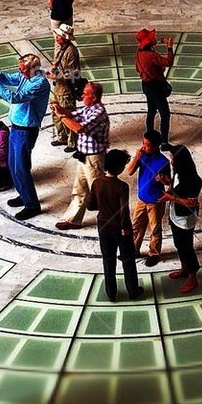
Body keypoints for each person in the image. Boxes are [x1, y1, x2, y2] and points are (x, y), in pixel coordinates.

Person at [0, 54, 50, 220]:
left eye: (23, 69)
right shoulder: (26, 75)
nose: (20, 71)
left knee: (21, 169)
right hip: (16, 128)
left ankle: (32, 205)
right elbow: (9, 78)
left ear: (34, 69)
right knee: (12, 165)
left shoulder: (39, 83)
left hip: (26, 131)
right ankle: (23, 195)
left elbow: (15, 97)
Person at [86, 149, 143, 302]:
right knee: (128, 259)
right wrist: (125, 227)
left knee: (108, 260)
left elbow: (90, 206)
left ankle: (111, 293)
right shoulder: (122, 186)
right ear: (119, 168)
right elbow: (124, 211)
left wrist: (104, 205)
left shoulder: (97, 182)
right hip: (120, 228)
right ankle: (133, 290)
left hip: (103, 226)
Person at [54, 81, 110, 230]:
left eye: (85, 94)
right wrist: (60, 109)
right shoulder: (88, 108)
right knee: (79, 189)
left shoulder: (98, 112)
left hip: (94, 158)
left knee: (99, 192)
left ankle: (110, 220)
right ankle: (73, 219)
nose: (82, 96)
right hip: (85, 156)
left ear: (94, 97)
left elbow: (79, 128)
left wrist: (61, 116)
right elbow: (72, 114)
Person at [159, 143, 202, 295]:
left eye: (172, 157)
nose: (170, 160)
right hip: (175, 214)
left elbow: (192, 202)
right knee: (179, 244)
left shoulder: (194, 180)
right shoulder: (178, 171)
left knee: (187, 247)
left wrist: (171, 198)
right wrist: (166, 182)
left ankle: (193, 277)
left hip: (185, 218)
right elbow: (175, 185)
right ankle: (185, 269)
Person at [127, 130, 170, 267]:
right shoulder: (142, 156)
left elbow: (169, 181)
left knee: (155, 228)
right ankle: (134, 250)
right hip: (142, 199)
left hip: (156, 201)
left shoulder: (163, 161)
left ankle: (154, 253)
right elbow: (129, 171)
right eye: (143, 143)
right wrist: (136, 157)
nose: (144, 146)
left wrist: (162, 180)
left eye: (147, 145)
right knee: (136, 226)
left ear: (156, 145)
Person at [134, 28, 175, 145]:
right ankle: (164, 143)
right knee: (165, 113)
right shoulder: (151, 55)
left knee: (151, 111)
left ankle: (150, 138)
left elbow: (138, 68)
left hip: (146, 86)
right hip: (156, 87)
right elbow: (169, 62)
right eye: (152, 37)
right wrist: (169, 47)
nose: (154, 38)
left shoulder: (139, 52)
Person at [48, 25, 83, 151]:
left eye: (59, 35)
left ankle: (72, 142)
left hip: (66, 89)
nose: (56, 37)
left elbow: (72, 73)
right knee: (56, 113)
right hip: (58, 87)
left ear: (65, 37)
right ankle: (62, 137)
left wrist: (54, 75)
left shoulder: (71, 51)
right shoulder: (61, 48)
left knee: (67, 114)